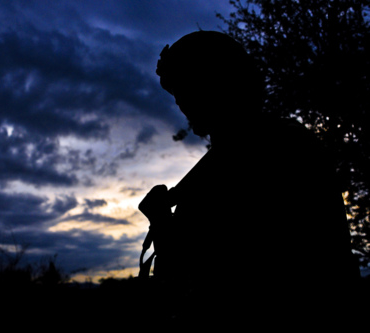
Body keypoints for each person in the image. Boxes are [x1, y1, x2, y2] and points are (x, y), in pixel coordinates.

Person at [138, 31, 360, 307]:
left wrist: (162, 223)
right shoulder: (233, 157)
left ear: (220, 84)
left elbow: (223, 267)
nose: (179, 102)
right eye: (177, 92)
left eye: (187, 87)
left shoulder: (276, 149)